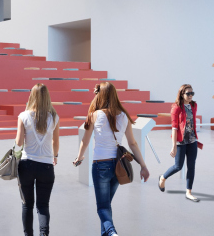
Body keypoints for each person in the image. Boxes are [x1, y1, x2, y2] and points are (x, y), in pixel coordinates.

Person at [73, 82, 150, 236]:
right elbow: (132, 143)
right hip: (118, 166)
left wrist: (79, 157)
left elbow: (85, 141)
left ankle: (112, 232)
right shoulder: (124, 115)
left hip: (100, 165)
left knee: (102, 208)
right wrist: (143, 165)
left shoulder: (94, 115)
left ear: (99, 95)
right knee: (106, 205)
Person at [15, 83, 60, 236]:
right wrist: (55, 156)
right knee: (43, 206)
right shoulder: (54, 117)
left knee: (27, 205)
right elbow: (55, 142)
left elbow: (19, 142)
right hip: (46, 166)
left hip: (26, 165)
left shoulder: (23, 116)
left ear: (32, 96)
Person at [158, 84, 202, 202]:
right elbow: (174, 127)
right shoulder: (176, 107)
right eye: (188, 93)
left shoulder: (194, 105)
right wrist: (174, 146)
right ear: (182, 94)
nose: (190, 95)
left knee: (191, 166)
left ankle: (189, 192)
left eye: (192, 93)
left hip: (192, 140)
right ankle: (162, 178)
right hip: (180, 142)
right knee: (178, 166)